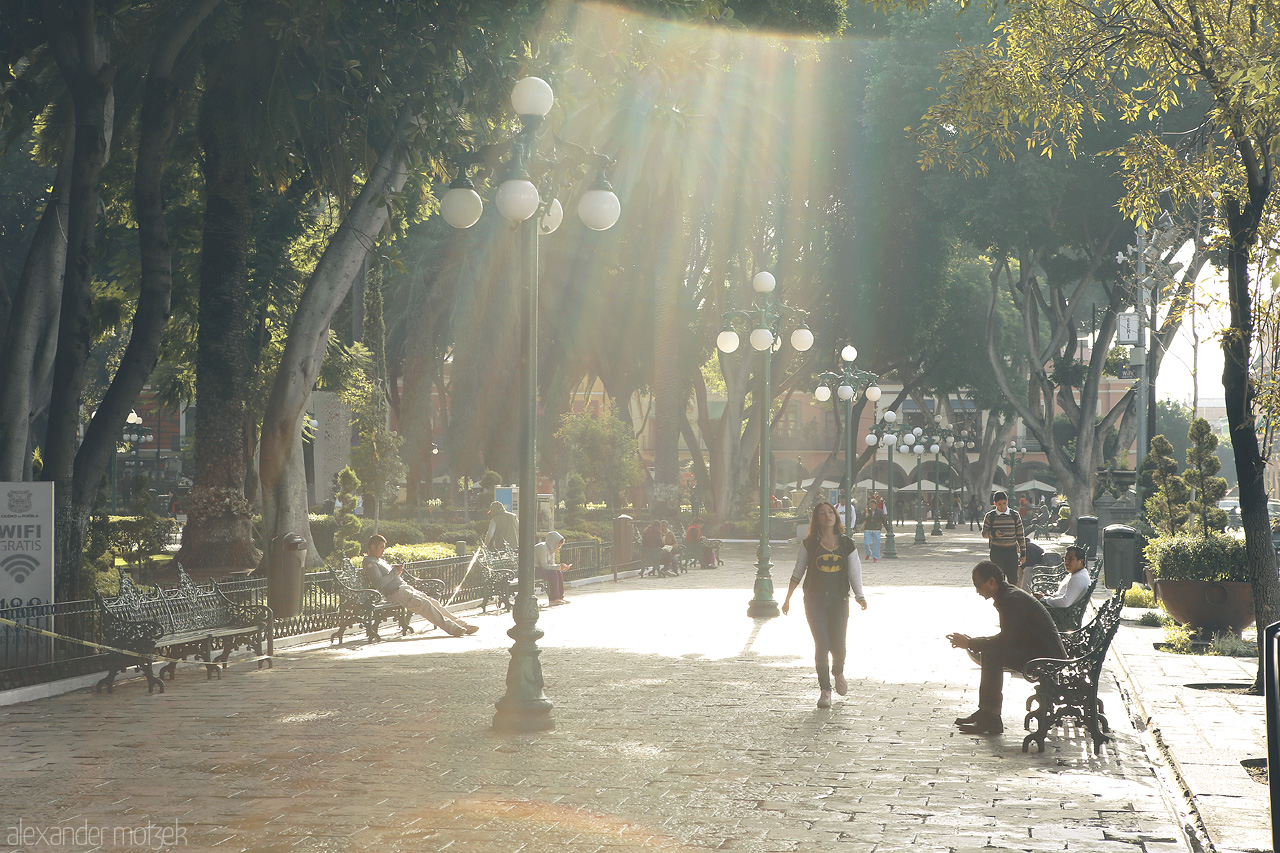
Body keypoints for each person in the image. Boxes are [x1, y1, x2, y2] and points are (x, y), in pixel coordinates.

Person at [946, 560, 1065, 734]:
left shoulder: (1009, 599)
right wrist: (974, 642)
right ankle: (986, 711)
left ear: (992, 582)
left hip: (1045, 656)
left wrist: (971, 643)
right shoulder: (1007, 595)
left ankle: (992, 718)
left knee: (993, 655)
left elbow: (1005, 641)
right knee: (989, 653)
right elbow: (1007, 638)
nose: (977, 591)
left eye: (979, 585)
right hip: (1037, 650)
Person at [782, 501, 868, 709]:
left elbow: (854, 571)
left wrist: (859, 595)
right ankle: (825, 690)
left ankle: (838, 671)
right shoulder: (808, 543)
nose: (827, 516)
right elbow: (798, 571)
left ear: (836, 517)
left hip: (839, 599)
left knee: (838, 643)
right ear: (817, 519)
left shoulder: (846, 543)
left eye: (831, 512)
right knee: (821, 644)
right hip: (814, 600)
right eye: (822, 513)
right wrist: (787, 598)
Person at [362, 535, 478, 637]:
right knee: (425, 605)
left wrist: (396, 572)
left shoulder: (378, 560)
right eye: (381, 547)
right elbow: (379, 583)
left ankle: (463, 625)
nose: (383, 550)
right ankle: (453, 629)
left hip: (403, 588)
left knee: (433, 602)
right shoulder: (370, 563)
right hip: (396, 593)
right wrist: (394, 571)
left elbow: (389, 576)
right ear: (373, 547)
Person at [981, 490, 1026, 585]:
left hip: (1011, 552)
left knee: (1013, 580)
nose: (1002, 506)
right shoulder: (990, 516)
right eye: (999, 504)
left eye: (1004, 503)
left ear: (1007, 502)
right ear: (995, 503)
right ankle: (1000, 599)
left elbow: (1020, 535)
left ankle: (1011, 599)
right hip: (997, 552)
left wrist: (1023, 553)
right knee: (998, 580)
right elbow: (984, 534)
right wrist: (993, 534)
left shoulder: (1015, 515)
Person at [1035, 545, 1091, 610]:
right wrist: (1047, 596)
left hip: (1063, 615)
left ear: (1081, 561)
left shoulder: (1078, 578)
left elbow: (1065, 603)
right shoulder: (1076, 573)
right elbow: (1062, 595)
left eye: (1070, 559)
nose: (1066, 563)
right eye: (1065, 559)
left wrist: (1043, 599)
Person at [534, 530, 571, 605]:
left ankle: (560, 597)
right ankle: (553, 599)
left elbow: (551, 565)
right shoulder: (542, 547)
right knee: (553, 573)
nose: (558, 548)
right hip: (533, 570)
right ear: (553, 543)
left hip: (541, 569)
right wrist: (558, 567)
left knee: (558, 572)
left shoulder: (551, 549)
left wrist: (560, 567)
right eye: (558, 546)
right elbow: (544, 565)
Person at [861, 494, 887, 562]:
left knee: (876, 544)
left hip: (876, 529)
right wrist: (865, 517)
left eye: (873, 505)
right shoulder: (867, 511)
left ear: (876, 505)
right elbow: (860, 520)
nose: (871, 506)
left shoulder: (879, 512)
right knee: (866, 543)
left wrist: (888, 529)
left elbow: (883, 520)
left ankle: (875, 557)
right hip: (868, 529)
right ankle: (868, 552)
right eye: (870, 505)